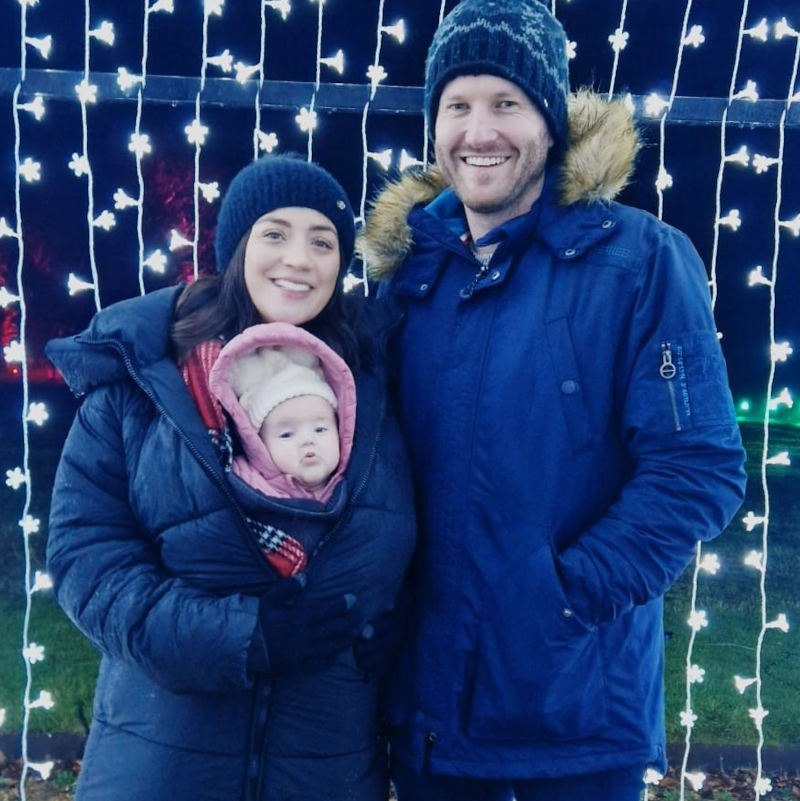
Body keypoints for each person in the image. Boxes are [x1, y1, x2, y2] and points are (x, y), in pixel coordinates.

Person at [359, 1, 748, 799]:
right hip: (430, 716)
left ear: (550, 121)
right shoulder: (410, 281)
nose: (480, 131)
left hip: (574, 713)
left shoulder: (639, 260)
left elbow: (697, 468)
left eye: (507, 103)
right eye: (457, 105)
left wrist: (562, 599)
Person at [45, 154, 416, 801]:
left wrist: (391, 630)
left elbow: (411, 542)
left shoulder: (373, 387)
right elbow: (87, 561)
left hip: (325, 763)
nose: (298, 258)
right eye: (275, 233)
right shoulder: (144, 380)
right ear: (237, 245)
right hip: (160, 763)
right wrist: (243, 636)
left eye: (322, 240)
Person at [210, 322, 355, 501]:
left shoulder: (355, 485)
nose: (307, 441)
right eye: (286, 434)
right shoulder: (244, 483)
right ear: (259, 445)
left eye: (320, 429)